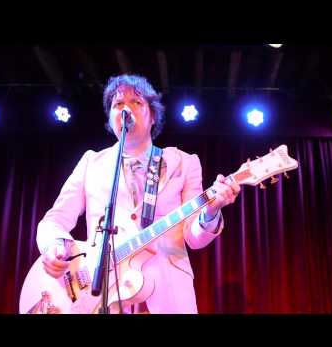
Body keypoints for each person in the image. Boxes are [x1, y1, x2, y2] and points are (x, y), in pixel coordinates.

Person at [36, 74, 241, 314]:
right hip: (101, 290)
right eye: (118, 104)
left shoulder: (184, 163)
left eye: (136, 102)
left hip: (168, 290)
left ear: (153, 116)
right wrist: (54, 246)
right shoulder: (92, 162)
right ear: (111, 119)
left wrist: (211, 210)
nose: (126, 109)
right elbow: (55, 220)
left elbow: (194, 238)